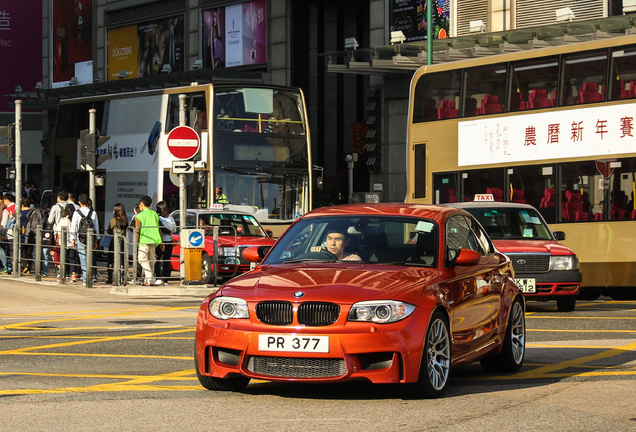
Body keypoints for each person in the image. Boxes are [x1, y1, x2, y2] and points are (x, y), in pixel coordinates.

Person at [70, 194, 99, 286]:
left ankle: (85, 279)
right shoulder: (93, 213)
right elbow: (96, 227)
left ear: (79, 202)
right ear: (88, 202)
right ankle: (90, 277)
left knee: (83, 258)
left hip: (80, 238)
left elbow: (73, 227)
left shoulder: (76, 213)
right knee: (90, 258)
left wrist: (73, 239)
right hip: (91, 238)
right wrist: (96, 239)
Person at [135, 195, 163, 286]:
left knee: (142, 259)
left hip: (144, 240)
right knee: (151, 261)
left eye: (140, 204)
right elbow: (159, 228)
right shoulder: (154, 214)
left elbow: (137, 230)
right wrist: (161, 241)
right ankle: (148, 280)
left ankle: (150, 278)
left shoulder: (139, 216)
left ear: (142, 204)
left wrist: (136, 242)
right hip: (154, 240)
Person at [55, 204, 79, 282]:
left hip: (63, 242)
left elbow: (58, 231)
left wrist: (57, 240)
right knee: (72, 259)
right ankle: (73, 274)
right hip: (72, 242)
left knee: (64, 259)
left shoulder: (63, 220)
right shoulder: (74, 219)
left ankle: (63, 274)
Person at [106, 203, 129, 285]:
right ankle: (122, 277)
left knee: (111, 259)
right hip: (123, 241)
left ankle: (110, 278)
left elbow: (109, 231)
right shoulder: (125, 220)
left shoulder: (113, 220)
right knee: (121, 260)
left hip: (114, 241)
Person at [155, 201, 175, 281]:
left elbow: (174, 228)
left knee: (166, 260)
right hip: (160, 241)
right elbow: (163, 229)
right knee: (158, 260)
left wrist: (169, 231)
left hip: (168, 241)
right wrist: (169, 231)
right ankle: (158, 276)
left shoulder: (170, 217)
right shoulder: (158, 218)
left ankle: (165, 278)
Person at [1, 193, 17, 274]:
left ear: (7, 200)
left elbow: (3, 224)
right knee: (16, 251)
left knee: (8, 251)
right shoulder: (18, 207)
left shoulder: (7, 210)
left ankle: (9, 267)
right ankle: (17, 267)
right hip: (19, 233)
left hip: (9, 234)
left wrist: (1, 234)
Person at [20, 198, 32, 274]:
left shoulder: (22, 214)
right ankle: (29, 267)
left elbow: (16, 222)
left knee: (21, 252)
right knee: (29, 252)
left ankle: (25, 266)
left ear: (22, 205)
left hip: (23, 235)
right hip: (32, 234)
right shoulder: (32, 212)